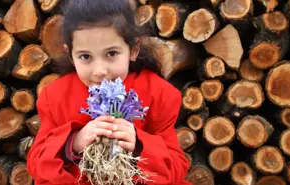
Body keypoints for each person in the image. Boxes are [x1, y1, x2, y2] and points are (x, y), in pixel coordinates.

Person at [26, 0, 191, 184]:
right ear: (71, 55)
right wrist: (73, 143)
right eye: (85, 57)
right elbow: (37, 164)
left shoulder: (158, 94)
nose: (99, 71)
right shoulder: (55, 98)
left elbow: (176, 169)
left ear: (133, 50)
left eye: (111, 54)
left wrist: (139, 144)